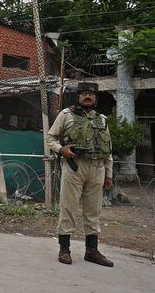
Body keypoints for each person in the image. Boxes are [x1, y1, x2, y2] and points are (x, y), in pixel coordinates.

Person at [46, 82, 114, 267]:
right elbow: (50, 138)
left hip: (97, 168)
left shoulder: (102, 120)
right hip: (75, 166)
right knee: (68, 208)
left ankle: (92, 251)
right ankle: (64, 249)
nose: (87, 97)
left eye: (91, 94)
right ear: (78, 97)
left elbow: (108, 151)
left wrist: (109, 175)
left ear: (96, 98)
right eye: (84, 94)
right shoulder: (66, 115)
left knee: (94, 211)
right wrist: (62, 150)